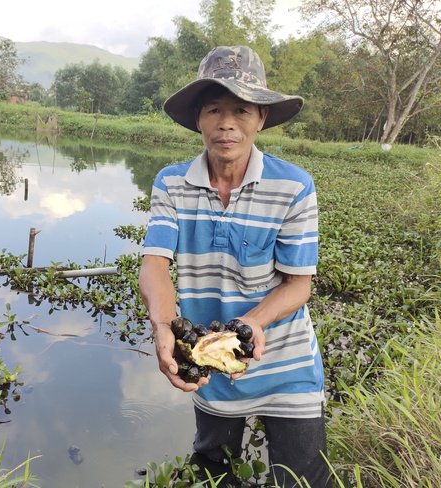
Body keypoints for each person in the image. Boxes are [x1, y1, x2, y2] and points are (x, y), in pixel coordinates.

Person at [138, 46, 331, 488]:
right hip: (211, 363)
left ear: (261, 118)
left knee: (303, 480)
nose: (227, 122)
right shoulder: (170, 183)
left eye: (241, 109)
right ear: (199, 119)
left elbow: (299, 286)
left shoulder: (294, 186)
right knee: (213, 471)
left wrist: (252, 322)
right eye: (214, 109)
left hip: (288, 365)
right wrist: (165, 325)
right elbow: (155, 266)